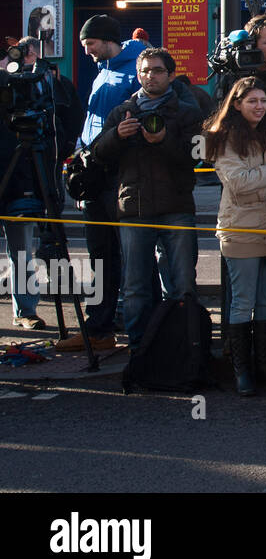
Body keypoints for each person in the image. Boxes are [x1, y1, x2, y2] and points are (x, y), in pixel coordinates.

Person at [92, 48, 204, 351]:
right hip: (134, 207)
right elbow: (98, 154)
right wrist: (118, 134)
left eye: (156, 70)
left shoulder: (187, 112)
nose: (149, 76)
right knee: (135, 286)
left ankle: (184, 345)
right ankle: (140, 349)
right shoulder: (122, 111)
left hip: (176, 206)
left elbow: (198, 157)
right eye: (144, 71)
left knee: (182, 284)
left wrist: (163, 140)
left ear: (169, 74)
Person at [56, 15, 146, 351]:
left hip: (119, 179)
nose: (87, 51)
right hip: (94, 176)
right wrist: (82, 175)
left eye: (89, 44)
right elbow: (92, 126)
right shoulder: (103, 70)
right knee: (100, 256)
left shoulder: (133, 69)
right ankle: (100, 327)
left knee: (129, 256)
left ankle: (136, 328)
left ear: (106, 39)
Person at [206, 77, 266, 396]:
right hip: (241, 226)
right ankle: (242, 371)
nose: (259, 107)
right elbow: (239, 183)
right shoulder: (223, 136)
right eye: (252, 101)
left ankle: (265, 365)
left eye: (263, 101)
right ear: (237, 103)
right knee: (243, 302)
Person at [0, 40, 83, 330]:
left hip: (23, 176)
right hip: (13, 173)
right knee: (19, 251)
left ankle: (26, 310)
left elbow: (66, 119)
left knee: (21, 251)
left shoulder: (39, 86)